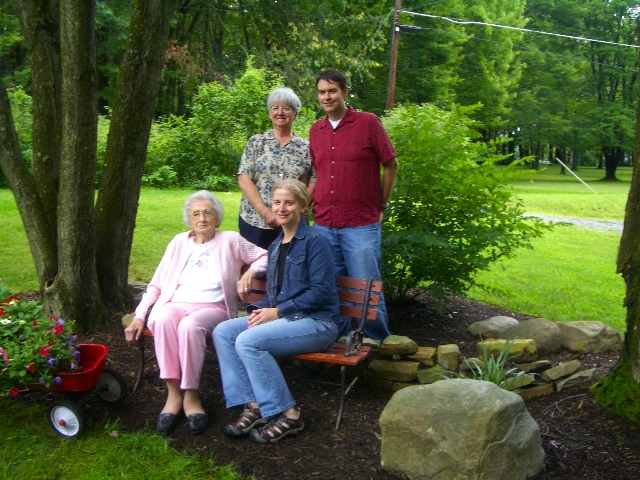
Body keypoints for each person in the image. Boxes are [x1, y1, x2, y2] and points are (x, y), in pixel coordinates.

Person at [124, 191, 268, 436]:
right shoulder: (179, 242)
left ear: (218, 218)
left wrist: (249, 273)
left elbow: (265, 256)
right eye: (196, 214)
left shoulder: (231, 240)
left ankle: (190, 394)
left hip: (213, 308)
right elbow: (157, 284)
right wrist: (140, 315)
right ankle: (172, 394)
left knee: (190, 326)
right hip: (176, 303)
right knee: (163, 318)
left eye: (208, 213)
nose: (202, 218)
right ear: (189, 220)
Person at [213, 179, 339, 444]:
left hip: (317, 322)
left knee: (248, 341)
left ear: (303, 207)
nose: (281, 208)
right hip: (286, 319)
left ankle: (289, 413)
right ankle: (255, 405)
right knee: (224, 331)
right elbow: (273, 295)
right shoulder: (275, 245)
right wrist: (261, 311)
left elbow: (322, 292)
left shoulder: (317, 241)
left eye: (289, 203)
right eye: (277, 202)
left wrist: (277, 312)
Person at [308, 69, 398, 341]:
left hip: (361, 223)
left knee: (365, 287)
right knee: (330, 286)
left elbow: (391, 164)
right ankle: (339, 340)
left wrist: (381, 204)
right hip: (324, 222)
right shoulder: (316, 130)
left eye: (332, 91)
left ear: (345, 92)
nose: (327, 96)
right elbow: (318, 171)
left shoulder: (368, 123)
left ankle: (376, 343)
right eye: (322, 92)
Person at [237, 87, 315, 250]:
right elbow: (244, 178)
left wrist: (297, 209)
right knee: (254, 270)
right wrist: (266, 212)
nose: (280, 112)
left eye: (286, 108)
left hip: (293, 223)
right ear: (270, 113)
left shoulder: (306, 147)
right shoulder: (256, 142)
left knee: (292, 269)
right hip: (254, 221)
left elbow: (314, 181)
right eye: (275, 108)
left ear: (296, 114)